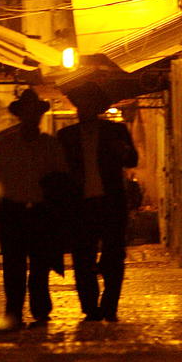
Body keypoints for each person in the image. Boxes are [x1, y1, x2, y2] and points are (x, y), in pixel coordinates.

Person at [0, 87, 69, 330]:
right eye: (28, 114)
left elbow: (61, 179)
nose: (32, 118)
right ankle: (14, 311)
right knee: (14, 265)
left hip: (41, 212)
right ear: (22, 116)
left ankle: (40, 309)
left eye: (34, 114)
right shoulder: (7, 145)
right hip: (14, 211)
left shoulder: (50, 146)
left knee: (40, 265)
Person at [57, 81, 138, 322]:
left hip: (111, 202)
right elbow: (58, 172)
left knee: (114, 256)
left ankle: (110, 305)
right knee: (83, 258)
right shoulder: (66, 136)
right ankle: (90, 307)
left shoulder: (116, 131)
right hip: (80, 205)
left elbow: (132, 160)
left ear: (96, 107)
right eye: (80, 105)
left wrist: (122, 151)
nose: (83, 109)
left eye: (88, 105)